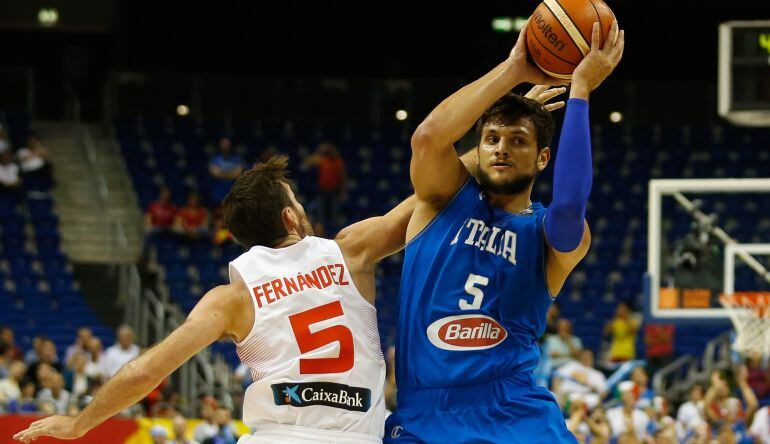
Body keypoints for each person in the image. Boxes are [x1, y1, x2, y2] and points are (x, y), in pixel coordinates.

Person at [14, 155, 416, 443]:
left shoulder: (231, 297)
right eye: (296, 201)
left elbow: (147, 371)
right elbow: (433, 196)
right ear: (290, 218)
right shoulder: (349, 251)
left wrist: (79, 424)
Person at [384, 17, 624, 443]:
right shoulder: (440, 201)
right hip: (425, 413)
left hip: (514, 411)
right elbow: (428, 139)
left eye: (517, 141)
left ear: (543, 158)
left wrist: (581, 90)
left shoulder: (548, 235)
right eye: (492, 139)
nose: (501, 149)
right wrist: (515, 67)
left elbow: (570, 203)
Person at [303, 142, 347, 229]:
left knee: (335, 215)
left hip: (334, 191)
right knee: (320, 216)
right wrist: (319, 151)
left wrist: (343, 192)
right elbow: (308, 162)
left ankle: (336, 234)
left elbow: (343, 177)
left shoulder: (338, 160)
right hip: (322, 191)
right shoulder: (322, 159)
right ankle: (320, 233)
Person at [208, 137, 243, 204]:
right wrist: (231, 173)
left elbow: (238, 174)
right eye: (223, 144)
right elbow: (215, 174)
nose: (225, 147)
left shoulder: (237, 159)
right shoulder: (215, 159)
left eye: (227, 145)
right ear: (219, 146)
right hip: (218, 192)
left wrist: (222, 173)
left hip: (233, 191)